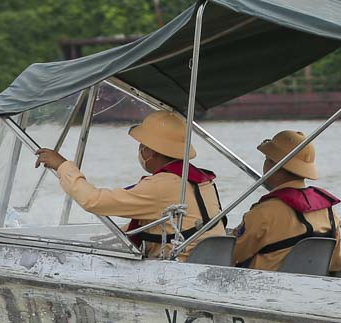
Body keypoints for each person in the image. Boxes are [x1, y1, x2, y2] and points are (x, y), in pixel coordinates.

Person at [33, 109, 223, 257]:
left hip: (180, 265)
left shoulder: (160, 185)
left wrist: (62, 166)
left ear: (150, 151)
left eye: (142, 146)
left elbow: (93, 201)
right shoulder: (201, 180)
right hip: (201, 258)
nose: (140, 151)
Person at [231, 130, 341, 273]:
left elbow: (232, 255)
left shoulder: (264, 212)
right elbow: (336, 263)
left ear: (273, 165)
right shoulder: (329, 212)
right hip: (311, 290)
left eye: (267, 158)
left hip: (262, 290)